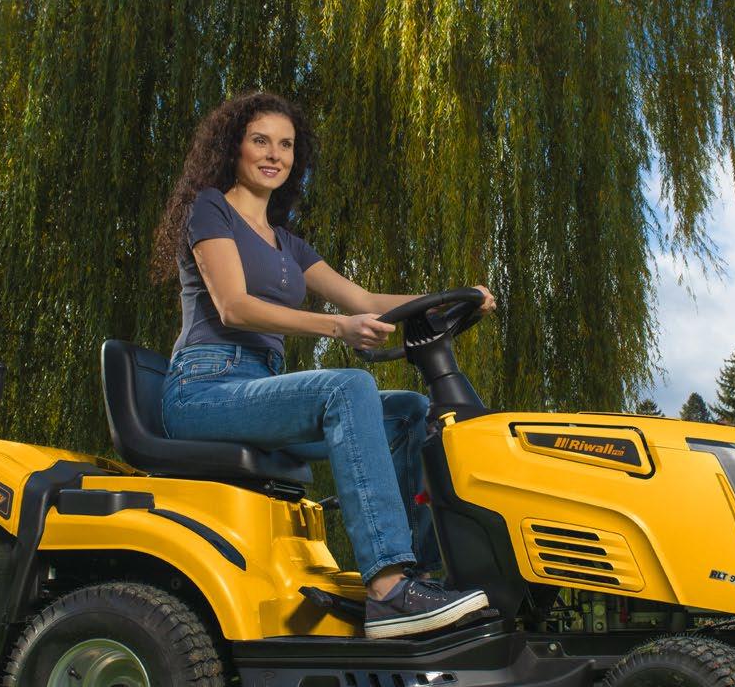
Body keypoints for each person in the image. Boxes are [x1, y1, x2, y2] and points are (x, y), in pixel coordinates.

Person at [150, 90, 497, 639]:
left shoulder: (288, 244)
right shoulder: (210, 209)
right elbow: (234, 306)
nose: (274, 154)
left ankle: (421, 577)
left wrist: (451, 298)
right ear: (234, 146)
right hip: (205, 389)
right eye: (261, 140)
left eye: (285, 145)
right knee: (348, 387)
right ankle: (387, 586)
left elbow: (364, 300)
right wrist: (337, 328)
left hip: (261, 391)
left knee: (409, 411)